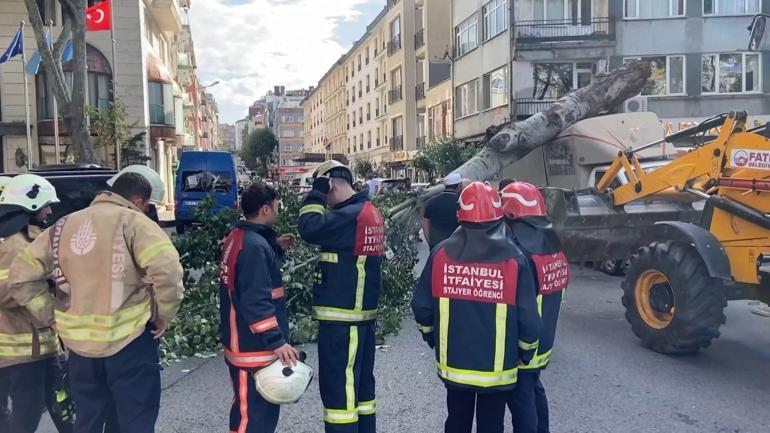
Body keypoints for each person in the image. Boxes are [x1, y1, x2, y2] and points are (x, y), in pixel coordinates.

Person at [8, 172, 185, 433]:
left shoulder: (61, 227)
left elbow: (20, 278)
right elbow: (168, 272)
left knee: (87, 421)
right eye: (147, 206)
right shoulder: (134, 222)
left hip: (80, 351)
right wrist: (163, 315)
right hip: (129, 343)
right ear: (138, 201)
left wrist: (52, 317)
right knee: (135, 420)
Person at [412, 181, 542, 433]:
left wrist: (432, 338)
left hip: (455, 367)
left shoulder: (440, 254)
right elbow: (530, 322)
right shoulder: (514, 259)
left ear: (460, 214)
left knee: (457, 421)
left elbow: (421, 307)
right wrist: (524, 353)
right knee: (491, 425)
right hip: (497, 371)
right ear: (498, 214)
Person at [298, 160, 384, 433]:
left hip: (342, 318)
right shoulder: (368, 211)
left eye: (325, 192)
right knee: (360, 389)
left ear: (331, 185)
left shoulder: (349, 215)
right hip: (360, 315)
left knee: (339, 391)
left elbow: (309, 227)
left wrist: (315, 193)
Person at [219, 182, 300, 433]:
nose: (278, 210)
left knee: (253, 414)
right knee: (251, 418)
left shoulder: (240, 238)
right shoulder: (254, 247)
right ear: (265, 209)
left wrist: (275, 247)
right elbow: (256, 300)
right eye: (276, 206)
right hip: (252, 348)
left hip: (245, 344)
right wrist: (276, 341)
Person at [501, 182, 569, 433]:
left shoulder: (521, 248)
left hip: (527, 343)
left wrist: (521, 349)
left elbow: (522, 305)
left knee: (521, 401)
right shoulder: (550, 238)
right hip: (545, 340)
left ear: (509, 212)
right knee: (534, 389)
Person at [0, 174, 61, 433]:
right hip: (23, 352)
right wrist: (47, 283)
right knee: (26, 416)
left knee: (60, 406)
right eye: (46, 205)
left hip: (38, 347)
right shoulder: (14, 245)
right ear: (29, 204)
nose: (49, 210)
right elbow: (5, 292)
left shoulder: (25, 239)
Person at [422, 173, 462, 249]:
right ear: (459, 185)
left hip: (436, 245)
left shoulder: (432, 201)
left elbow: (425, 224)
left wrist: (430, 243)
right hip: (457, 246)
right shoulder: (461, 202)